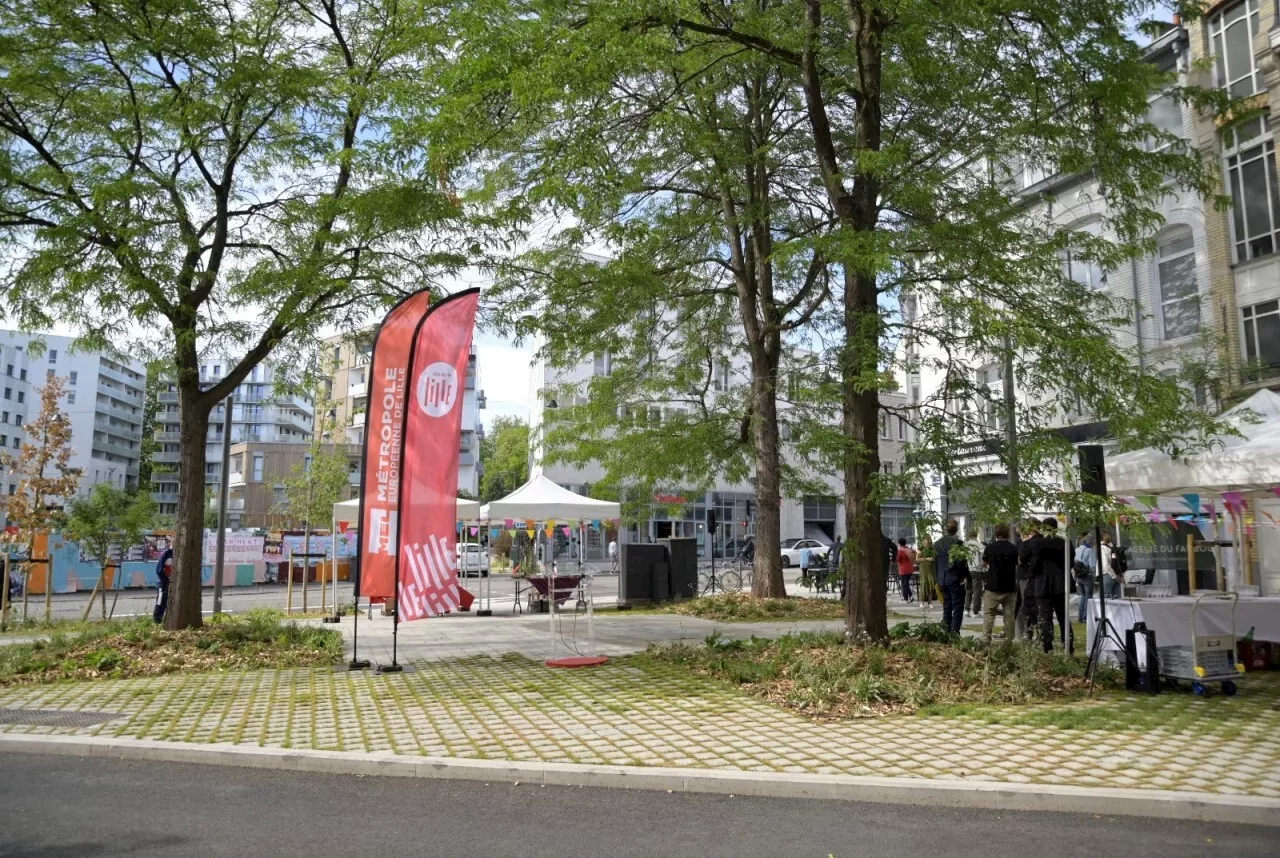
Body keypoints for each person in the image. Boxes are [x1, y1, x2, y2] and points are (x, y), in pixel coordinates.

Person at [1031, 516, 1072, 654]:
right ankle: (1068, 644)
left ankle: (1048, 646)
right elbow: (1070, 561)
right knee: (1063, 616)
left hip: (1042, 584)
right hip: (1060, 583)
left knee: (1045, 616)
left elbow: (1035, 565)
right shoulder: (1064, 543)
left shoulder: (1039, 544)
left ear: (1044, 528)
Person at [981, 523, 1019, 644]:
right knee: (1009, 616)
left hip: (993, 586)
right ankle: (1009, 641)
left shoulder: (990, 547)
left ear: (995, 533)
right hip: (1009, 586)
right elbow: (1018, 564)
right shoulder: (1013, 548)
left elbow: (984, 563)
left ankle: (986, 641)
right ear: (1007, 534)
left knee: (989, 615)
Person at [933, 519, 969, 635]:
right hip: (954, 578)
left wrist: (937, 577)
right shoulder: (958, 543)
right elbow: (961, 562)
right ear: (957, 529)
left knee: (947, 606)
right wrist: (966, 576)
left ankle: (946, 629)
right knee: (958, 606)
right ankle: (954, 631)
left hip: (942, 578)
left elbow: (936, 562)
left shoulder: (937, 544)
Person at [1015, 520, 1040, 641]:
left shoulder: (1025, 543)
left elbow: (1020, 560)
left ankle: (1026, 631)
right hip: (1024, 577)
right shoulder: (1021, 542)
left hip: (1025, 577)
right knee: (1023, 604)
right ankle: (1024, 631)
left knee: (1026, 604)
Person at [1073, 532, 1097, 623]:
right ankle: (1085, 617)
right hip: (1087, 576)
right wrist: (1094, 576)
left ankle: (1080, 617)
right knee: (1088, 597)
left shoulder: (1077, 549)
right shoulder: (1090, 550)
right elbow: (1092, 565)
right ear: (1090, 542)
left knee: (1082, 596)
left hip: (1078, 575)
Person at [965, 528, 985, 617]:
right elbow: (985, 554)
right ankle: (975, 611)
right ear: (976, 535)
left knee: (968, 590)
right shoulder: (978, 545)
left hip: (967, 569)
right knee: (977, 591)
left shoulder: (965, 544)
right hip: (976, 569)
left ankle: (966, 609)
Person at [153, 548, 173, 624]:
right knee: (161, 603)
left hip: (174, 584)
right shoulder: (166, 553)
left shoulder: (180, 553)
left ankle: (168, 622)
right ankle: (157, 622)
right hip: (163, 584)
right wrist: (167, 581)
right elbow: (159, 570)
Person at [1099, 531, 1122, 599]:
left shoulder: (1102, 547)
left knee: (1106, 599)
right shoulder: (1114, 546)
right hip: (1117, 574)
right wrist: (1119, 575)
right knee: (1117, 599)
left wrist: (1114, 576)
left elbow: (1105, 565)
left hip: (1107, 575)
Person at [918, 536, 937, 607]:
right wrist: (926, 559)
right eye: (926, 542)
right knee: (923, 584)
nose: (927, 544)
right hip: (923, 569)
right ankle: (922, 602)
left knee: (930, 585)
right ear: (923, 543)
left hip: (930, 569)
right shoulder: (920, 550)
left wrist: (930, 559)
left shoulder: (933, 550)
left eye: (928, 543)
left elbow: (934, 559)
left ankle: (930, 602)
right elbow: (917, 560)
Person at [896, 537, 916, 602]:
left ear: (899, 544)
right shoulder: (909, 549)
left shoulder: (900, 551)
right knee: (906, 584)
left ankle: (905, 599)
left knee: (904, 584)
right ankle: (911, 596)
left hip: (903, 570)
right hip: (910, 569)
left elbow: (896, 559)